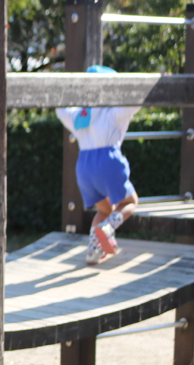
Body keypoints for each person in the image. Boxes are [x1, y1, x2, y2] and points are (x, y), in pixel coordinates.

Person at [56, 65, 141, 266]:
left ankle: (93, 252)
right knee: (130, 202)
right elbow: (136, 100)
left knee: (104, 210)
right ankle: (108, 227)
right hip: (108, 161)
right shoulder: (113, 113)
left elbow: (60, 109)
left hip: (84, 167)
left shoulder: (78, 116)